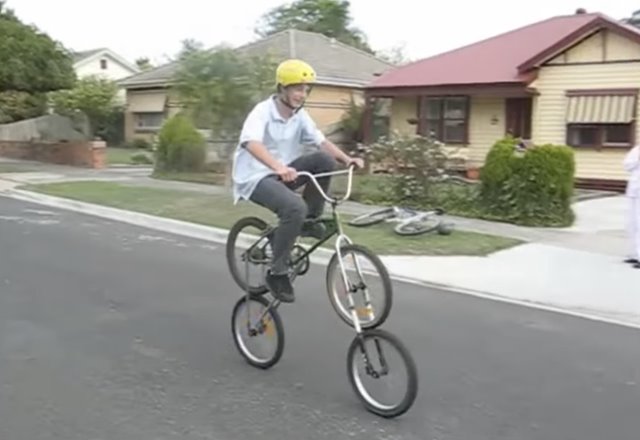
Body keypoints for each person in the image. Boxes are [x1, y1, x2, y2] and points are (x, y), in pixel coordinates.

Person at [231, 59, 364, 302]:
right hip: (255, 177)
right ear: (282, 88)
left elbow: (321, 141)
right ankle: (277, 272)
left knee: (323, 160)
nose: (301, 94)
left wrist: (347, 160)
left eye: (305, 89)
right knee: (294, 207)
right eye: (296, 88)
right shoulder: (262, 111)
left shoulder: (299, 115)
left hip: (284, 173)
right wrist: (278, 167)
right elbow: (251, 143)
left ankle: (309, 220)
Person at [623, 143, 640, 269]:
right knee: (633, 223)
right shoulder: (637, 150)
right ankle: (635, 253)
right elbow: (627, 165)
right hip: (635, 191)